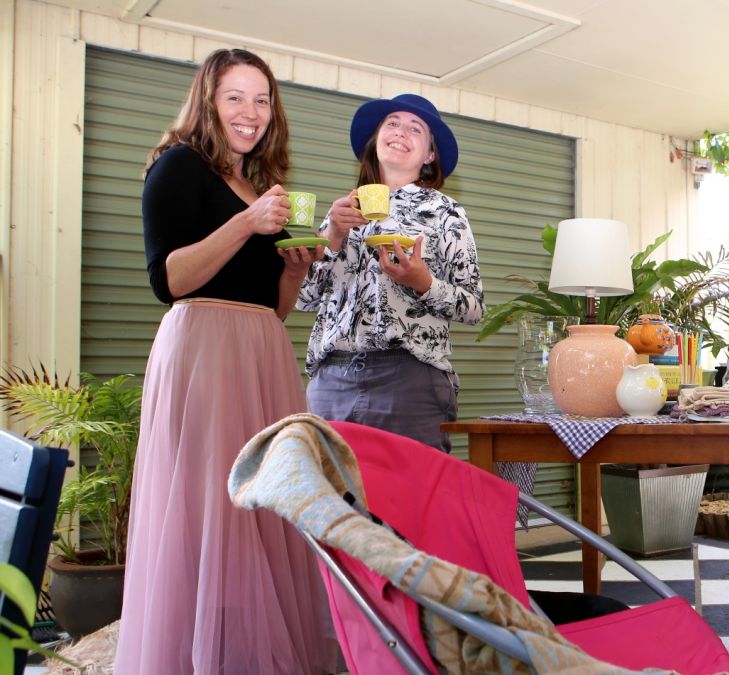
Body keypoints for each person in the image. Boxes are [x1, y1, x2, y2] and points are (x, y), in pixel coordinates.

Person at [115, 49, 338, 674]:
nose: (250, 112)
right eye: (235, 96)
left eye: (262, 99)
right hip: (204, 352)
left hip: (261, 350)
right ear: (208, 100)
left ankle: (246, 649)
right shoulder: (177, 168)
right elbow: (170, 279)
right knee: (210, 503)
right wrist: (245, 224)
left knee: (262, 503)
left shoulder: (263, 189)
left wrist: (294, 269)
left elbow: (271, 306)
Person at [297, 94, 484, 452]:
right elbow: (303, 298)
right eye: (393, 123)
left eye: (416, 129)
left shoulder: (447, 213)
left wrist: (422, 283)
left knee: (409, 505)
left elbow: (473, 306)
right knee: (331, 504)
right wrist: (332, 235)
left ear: (429, 155)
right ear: (376, 139)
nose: (401, 132)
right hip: (332, 380)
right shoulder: (341, 212)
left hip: (410, 380)